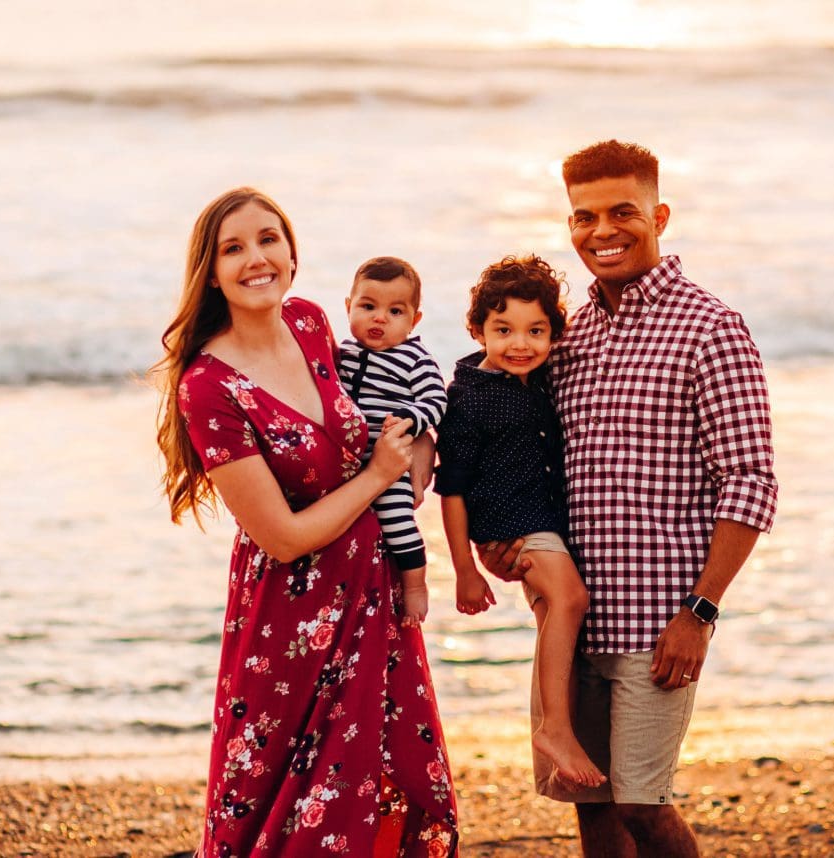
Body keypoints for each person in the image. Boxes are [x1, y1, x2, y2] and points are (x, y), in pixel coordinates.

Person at [478, 141, 779, 857]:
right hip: (573, 621)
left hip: (658, 628)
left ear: (659, 216)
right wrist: (505, 546)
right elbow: (535, 464)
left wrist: (700, 613)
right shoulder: (566, 337)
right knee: (591, 804)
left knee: (644, 805)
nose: (601, 231)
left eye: (622, 213)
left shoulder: (711, 328)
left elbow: (750, 481)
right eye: (584, 217)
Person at [152, 187, 458, 857]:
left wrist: (425, 454)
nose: (256, 258)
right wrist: (379, 476)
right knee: (286, 803)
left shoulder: (313, 323)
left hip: (372, 594)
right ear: (210, 271)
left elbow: (394, 403)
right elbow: (281, 537)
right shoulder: (208, 386)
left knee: (399, 779)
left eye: (269, 238)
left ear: (292, 251)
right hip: (289, 625)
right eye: (234, 248)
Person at [434, 254, 605, 789]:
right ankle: (553, 728)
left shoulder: (539, 377)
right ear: (478, 329)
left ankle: (563, 727)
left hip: (544, 516)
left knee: (558, 617)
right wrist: (464, 568)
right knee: (571, 600)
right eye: (502, 330)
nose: (519, 344)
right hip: (509, 521)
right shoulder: (469, 397)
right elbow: (452, 488)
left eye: (536, 331)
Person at [338, 256, 447, 627]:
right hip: (346, 465)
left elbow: (436, 402)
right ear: (348, 307)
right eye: (368, 307)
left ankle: (415, 584)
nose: (379, 318)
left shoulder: (415, 359)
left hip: (392, 462)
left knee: (397, 520)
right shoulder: (342, 354)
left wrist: (411, 422)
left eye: (395, 311)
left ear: (414, 320)